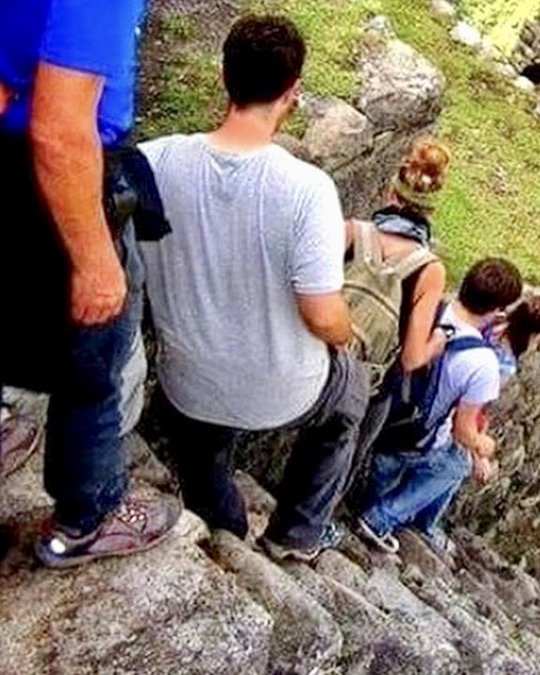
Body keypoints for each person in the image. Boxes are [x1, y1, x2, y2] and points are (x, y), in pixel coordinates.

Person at [138, 15, 367, 562]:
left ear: (224, 76)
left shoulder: (153, 161)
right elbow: (321, 313)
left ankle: (223, 526)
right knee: (350, 398)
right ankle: (296, 532)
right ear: (292, 94)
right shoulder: (307, 189)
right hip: (283, 391)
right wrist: (347, 336)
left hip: (187, 384)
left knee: (202, 451)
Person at [1, 0, 181, 567]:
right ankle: (89, 516)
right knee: (95, 358)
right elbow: (59, 132)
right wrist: (96, 262)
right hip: (57, 170)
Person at [357, 258, 523, 554]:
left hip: (381, 418)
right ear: (498, 310)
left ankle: (368, 505)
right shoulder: (483, 363)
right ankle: (380, 518)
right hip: (415, 439)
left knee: (385, 467)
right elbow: (462, 431)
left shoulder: (430, 307)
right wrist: (483, 445)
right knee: (457, 464)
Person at [344, 137, 451, 456]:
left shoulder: (351, 232)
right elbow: (412, 358)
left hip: (315, 357)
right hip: (365, 386)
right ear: (431, 211)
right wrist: (438, 342)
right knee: (337, 463)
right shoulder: (429, 270)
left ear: (391, 192)